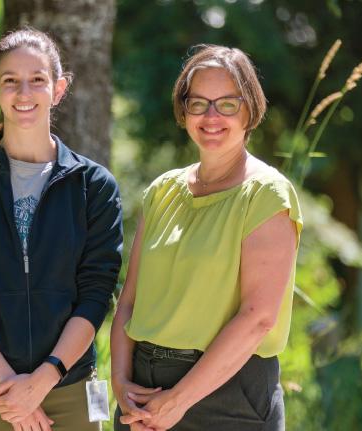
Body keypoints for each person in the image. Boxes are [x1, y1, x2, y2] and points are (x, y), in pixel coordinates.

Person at [0, 28, 123, 431]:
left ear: (59, 88)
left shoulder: (94, 185)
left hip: (70, 388)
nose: (24, 92)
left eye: (37, 79)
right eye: (10, 81)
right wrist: (11, 386)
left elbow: (96, 294)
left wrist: (42, 380)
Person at [110, 45, 302, 431]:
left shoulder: (267, 194)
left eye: (227, 104)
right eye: (199, 103)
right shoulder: (162, 190)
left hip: (228, 394)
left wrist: (178, 401)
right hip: (142, 389)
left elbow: (257, 319)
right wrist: (120, 381)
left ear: (249, 109)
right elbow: (129, 301)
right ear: (184, 110)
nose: (211, 116)